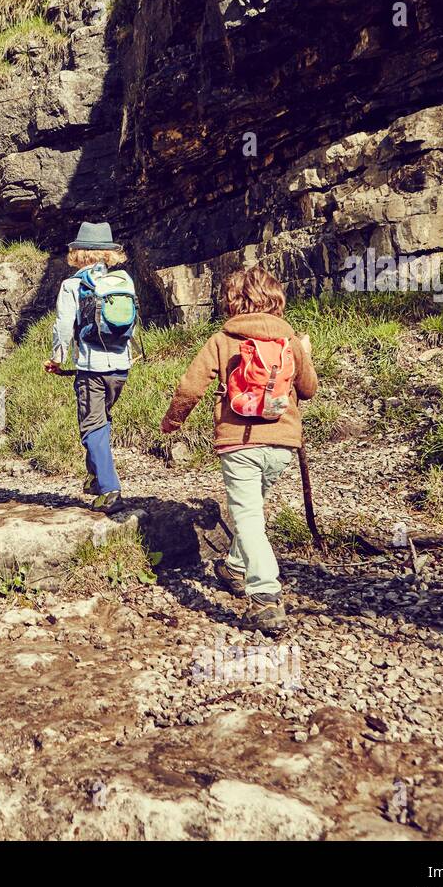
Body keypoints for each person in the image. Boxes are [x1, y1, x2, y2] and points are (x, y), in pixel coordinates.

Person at [160, 266, 318, 634]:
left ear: (233, 301)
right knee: (252, 514)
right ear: (275, 297)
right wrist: (304, 355)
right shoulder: (290, 339)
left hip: (240, 443)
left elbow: (190, 386)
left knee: (248, 519)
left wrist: (172, 421)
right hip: (282, 443)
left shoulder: (222, 339)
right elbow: (309, 389)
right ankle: (234, 567)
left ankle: (265, 596)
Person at [46, 222, 134, 511]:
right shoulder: (124, 281)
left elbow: (62, 327)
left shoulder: (72, 285)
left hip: (90, 368)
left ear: (79, 254)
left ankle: (110, 490)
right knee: (102, 421)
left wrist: (57, 359)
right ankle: (96, 478)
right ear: (109, 254)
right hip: (121, 367)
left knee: (92, 426)